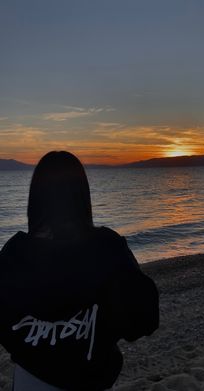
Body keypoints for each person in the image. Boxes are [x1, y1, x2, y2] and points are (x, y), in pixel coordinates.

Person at [0, 151, 159, 391]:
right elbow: (144, 320)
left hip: (30, 380)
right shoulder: (107, 247)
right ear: (82, 195)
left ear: (36, 197)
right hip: (90, 380)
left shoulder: (15, 252)